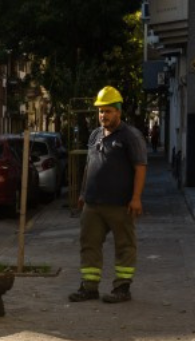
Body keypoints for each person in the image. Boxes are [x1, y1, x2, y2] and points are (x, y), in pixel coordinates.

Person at [69, 86, 147, 304]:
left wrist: (136, 198)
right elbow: (89, 165)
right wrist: (84, 193)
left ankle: (122, 288)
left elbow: (140, 167)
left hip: (120, 204)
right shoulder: (95, 135)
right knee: (89, 244)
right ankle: (89, 287)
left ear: (118, 112)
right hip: (93, 204)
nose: (104, 115)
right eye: (101, 111)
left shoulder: (130, 136)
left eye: (108, 111)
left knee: (125, 246)